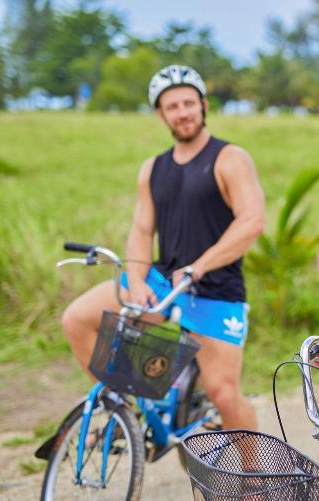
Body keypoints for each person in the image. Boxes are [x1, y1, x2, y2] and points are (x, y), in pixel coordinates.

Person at [62, 64, 265, 431]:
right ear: (161, 114)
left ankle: (253, 481)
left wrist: (200, 266)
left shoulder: (230, 158)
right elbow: (141, 230)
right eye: (172, 106)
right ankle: (121, 411)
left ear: (203, 105)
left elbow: (251, 222)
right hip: (160, 282)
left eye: (189, 103)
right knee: (78, 319)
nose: (182, 112)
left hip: (215, 291)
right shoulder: (152, 169)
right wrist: (137, 280)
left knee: (224, 393)